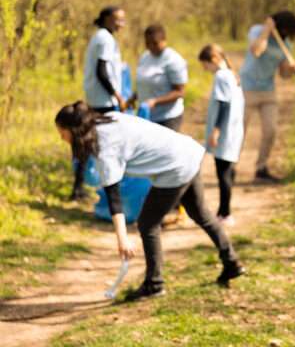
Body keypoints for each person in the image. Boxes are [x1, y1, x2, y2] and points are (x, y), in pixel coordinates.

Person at [55, 102, 245, 301]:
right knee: (201, 214)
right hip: (186, 152)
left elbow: (113, 196)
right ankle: (232, 262)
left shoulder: (105, 147)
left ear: (75, 131)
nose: (62, 139)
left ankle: (154, 283)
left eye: (63, 133)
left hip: (175, 167)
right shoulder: (110, 118)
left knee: (147, 223)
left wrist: (122, 238)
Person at [71, 7, 126, 201]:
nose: (121, 23)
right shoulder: (105, 39)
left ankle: (79, 187)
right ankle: (106, 190)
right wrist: (117, 96)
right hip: (103, 100)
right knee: (104, 144)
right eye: (118, 19)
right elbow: (101, 71)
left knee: (89, 141)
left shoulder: (101, 36)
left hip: (97, 97)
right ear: (107, 19)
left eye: (123, 20)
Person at [239, 11, 295, 182]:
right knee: (239, 130)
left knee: (270, 130)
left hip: (268, 90)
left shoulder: (286, 44)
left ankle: (261, 168)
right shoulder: (257, 31)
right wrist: (267, 29)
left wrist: (290, 69)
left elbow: (283, 74)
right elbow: (256, 50)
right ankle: (230, 166)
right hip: (247, 88)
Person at [199, 44, 245, 226]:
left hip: (225, 132)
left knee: (223, 172)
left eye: (205, 65)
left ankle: (225, 213)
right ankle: (222, 210)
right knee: (228, 171)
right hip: (234, 130)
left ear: (214, 60)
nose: (205, 69)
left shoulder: (221, 76)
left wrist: (215, 131)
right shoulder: (232, 75)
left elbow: (224, 106)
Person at [131, 24, 188, 132]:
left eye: (155, 43)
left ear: (164, 40)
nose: (151, 46)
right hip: (148, 116)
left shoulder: (173, 60)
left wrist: (155, 101)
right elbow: (143, 83)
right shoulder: (145, 57)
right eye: (147, 43)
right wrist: (132, 98)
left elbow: (180, 92)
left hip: (167, 118)